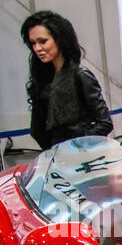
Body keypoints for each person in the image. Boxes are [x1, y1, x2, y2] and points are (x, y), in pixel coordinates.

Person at [21, 11, 112, 150]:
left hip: (84, 157)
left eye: (43, 41)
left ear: (59, 39)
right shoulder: (42, 79)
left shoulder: (81, 75)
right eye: (33, 43)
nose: (37, 48)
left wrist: (76, 146)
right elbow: (37, 129)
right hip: (55, 157)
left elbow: (105, 123)